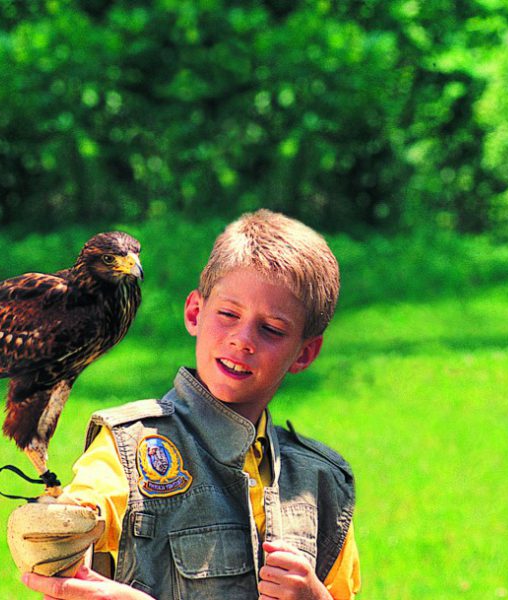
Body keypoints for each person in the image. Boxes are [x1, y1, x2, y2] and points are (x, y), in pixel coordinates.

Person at [22, 210, 360, 599]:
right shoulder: (130, 450)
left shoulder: (322, 482)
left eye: (271, 329)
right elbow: (67, 527)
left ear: (304, 353)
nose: (242, 339)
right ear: (195, 312)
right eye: (228, 314)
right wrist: (54, 531)